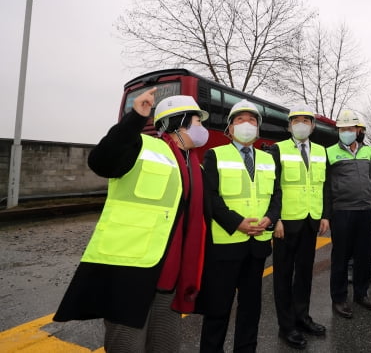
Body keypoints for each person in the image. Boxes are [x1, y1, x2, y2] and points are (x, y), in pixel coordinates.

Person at [54, 89, 209, 352]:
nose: (202, 128)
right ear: (178, 122)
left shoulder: (196, 167)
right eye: (197, 121)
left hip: (172, 277)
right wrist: (134, 118)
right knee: (127, 345)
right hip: (131, 271)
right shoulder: (142, 147)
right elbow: (101, 161)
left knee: (165, 346)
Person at [195, 99, 280, 353]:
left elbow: (277, 195)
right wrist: (237, 223)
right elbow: (210, 198)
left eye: (252, 120)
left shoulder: (268, 159)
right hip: (226, 246)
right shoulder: (215, 155)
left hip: (258, 246)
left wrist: (271, 218)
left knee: (251, 307)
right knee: (218, 308)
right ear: (230, 129)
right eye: (240, 120)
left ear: (258, 128)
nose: (247, 125)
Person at [269, 104, 330, 350]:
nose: (302, 124)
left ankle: (302, 318)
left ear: (313, 126)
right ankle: (287, 327)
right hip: (286, 223)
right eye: (296, 121)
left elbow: (324, 185)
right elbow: (272, 187)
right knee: (283, 275)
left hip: (311, 221)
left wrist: (325, 215)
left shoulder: (320, 151)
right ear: (289, 125)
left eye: (306, 120)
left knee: (305, 273)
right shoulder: (277, 150)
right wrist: (275, 220)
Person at [326, 109, 371, 319]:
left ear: (358, 130)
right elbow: (325, 184)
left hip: (366, 209)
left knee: (363, 254)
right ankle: (339, 299)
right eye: (342, 129)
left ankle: (361, 294)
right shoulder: (329, 153)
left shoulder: (370, 152)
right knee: (341, 256)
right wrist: (327, 212)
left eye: (350, 128)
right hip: (341, 211)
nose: (346, 132)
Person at [348, 121, 371, 284]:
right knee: (350, 235)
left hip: (369, 201)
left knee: (369, 236)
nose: (360, 132)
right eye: (357, 129)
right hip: (349, 202)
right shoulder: (340, 150)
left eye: (362, 130)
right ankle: (351, 266)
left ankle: (369, 266)